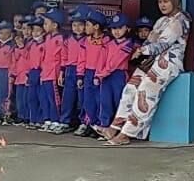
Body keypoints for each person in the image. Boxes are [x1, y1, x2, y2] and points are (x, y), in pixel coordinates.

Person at [106, 0, 191, 145]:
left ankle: (128, 133)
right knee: (131, 87)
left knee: (146, 89)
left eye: (166, 1)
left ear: (175, 1)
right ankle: (116, 125)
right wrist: (143, 49)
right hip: (152, 60)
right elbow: (150, 40)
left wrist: (142, 50)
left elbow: (163, 44)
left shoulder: (180, 20)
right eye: (160, 2)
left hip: (170, 63)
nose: (162, 5)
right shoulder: (161, 21)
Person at [96, 14, 135, 136]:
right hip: (106, 76)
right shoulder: (108, 44)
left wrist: (103, 73)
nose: (116, 31)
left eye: (120, 28)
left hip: (118, 75)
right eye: (114, 28)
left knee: (120, 102)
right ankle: (105, 126)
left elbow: (116, 62)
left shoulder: (129, 44)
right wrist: (98, 74)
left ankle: (120, 129)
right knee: (105, 101)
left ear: (127, 29)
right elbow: (101, 60)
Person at [77, 10, 108, 138]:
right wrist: (80, 75)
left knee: (100, 101)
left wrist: (101, 74)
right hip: (88, 73)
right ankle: (91, 124)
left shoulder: (106, 40)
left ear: (96, 26)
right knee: (87, 101)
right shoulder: (85, 41)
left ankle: (100, 126)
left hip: (100, 74)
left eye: (88, 25)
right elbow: (81, 59)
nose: (86, 27)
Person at [57, 9, 88, 133]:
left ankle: (82, 122)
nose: (77, 28)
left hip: (83, 71)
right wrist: (61, 72)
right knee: (68, 97)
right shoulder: (68, 40)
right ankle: (65, 121)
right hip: (70, 70)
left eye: (80, 25)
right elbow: (64, 57)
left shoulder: (88, 40)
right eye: (74, 25)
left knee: (82, 99)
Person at [37, 10, 66, 132]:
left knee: (54, 98)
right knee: (45, 98)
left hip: (54, 73)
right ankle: (47, 119)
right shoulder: (47, 38)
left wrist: (61, 72)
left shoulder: (60, 38)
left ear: (55, 25)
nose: (44, 26)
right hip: (45, 73)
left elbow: (63, 56)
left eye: (46, 23)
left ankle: (56, 120)